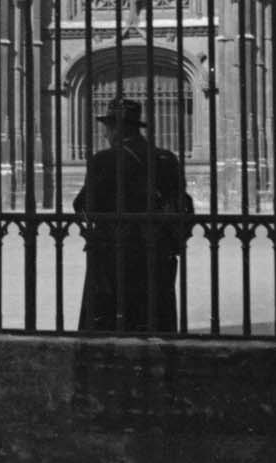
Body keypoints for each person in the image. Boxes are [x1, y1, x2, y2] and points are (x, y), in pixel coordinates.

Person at [74, 96, 193, 333]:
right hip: (156, 251)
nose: (106, 135)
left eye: (107, 128)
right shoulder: (166, 158)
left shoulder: (104, 160)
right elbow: (184, 206)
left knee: (109, 322)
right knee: (154, 318)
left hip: (114, 253)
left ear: (116, 128)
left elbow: (84, 205)